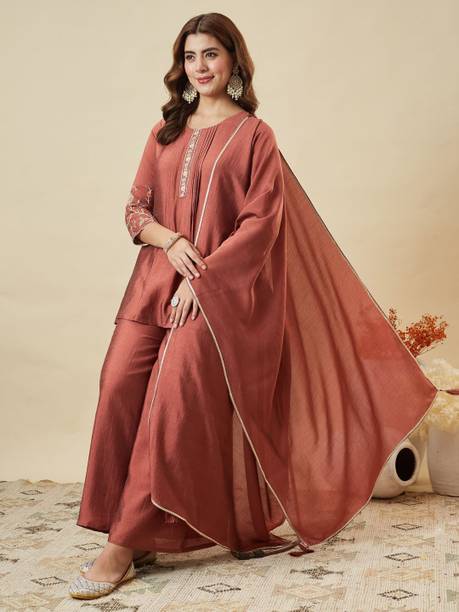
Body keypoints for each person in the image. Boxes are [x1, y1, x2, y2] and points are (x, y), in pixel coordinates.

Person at [69, 12, 451, 601]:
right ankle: (137, 529)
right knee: (118, 385)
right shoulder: (164, 132)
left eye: (211, 55)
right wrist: (170, 242)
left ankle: (122, 546)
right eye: (191, 56)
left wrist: (203, 282)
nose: (200, 67)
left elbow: (259, 225)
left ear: (233, 61)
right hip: (152, 284)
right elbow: (136, 210)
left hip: (217, 298)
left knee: (171, 400)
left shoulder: (255, 136)